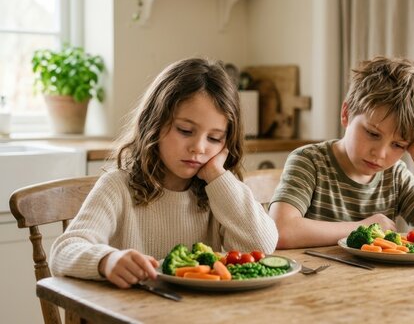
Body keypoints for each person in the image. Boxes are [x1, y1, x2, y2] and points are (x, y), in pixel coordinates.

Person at [50, 58, 278, 288]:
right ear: (154, 123)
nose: (198, 147)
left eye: (214, 138)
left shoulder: (220, 192)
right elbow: (64, 250)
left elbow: (263, 245)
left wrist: (217, 175)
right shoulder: (117, 186)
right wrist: (106, 260)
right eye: (185, 130)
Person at [269, 56, 414, 249]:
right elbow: (281, 231)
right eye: (373, 133)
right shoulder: (309, 161)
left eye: (398, 145)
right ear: (346, 114)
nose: (380, 154)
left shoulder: (395, 176)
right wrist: (363, 227)